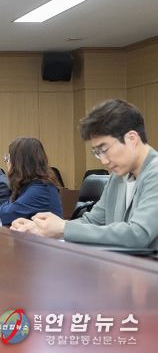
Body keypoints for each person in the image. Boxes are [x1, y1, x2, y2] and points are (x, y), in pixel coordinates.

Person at [12, 99, 158, 249]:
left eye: (104, 149)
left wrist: (64, 228)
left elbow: (138, 234)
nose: (103, 161)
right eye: (98, 153)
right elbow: (92, 221)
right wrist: (43, 229)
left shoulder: (155, 173)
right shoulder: (118, 177)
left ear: (131, 139)